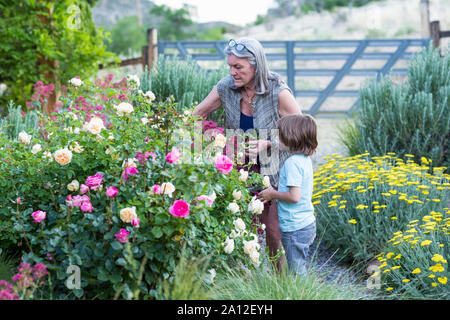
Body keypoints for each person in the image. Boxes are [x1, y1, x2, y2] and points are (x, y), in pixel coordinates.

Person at [193, 37, 302, 272]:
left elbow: (302, 132)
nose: (232, 72)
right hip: (238, 171)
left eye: (238, 67)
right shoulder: (226, 88)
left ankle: (280, 287)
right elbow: (196, 115)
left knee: (273, 231)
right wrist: (210, 138)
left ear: (256, 66)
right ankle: (243, 283)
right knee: (238, 228)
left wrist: (268, 142)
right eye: (230, 66)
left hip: (273, 172)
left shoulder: (278, 93)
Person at [257, 114, 318, 275]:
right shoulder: (303, 160)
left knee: (297, 270)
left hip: (295, 228)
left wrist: (273, 194)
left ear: (293, 138)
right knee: (298, 265)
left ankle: (300, 294)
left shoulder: (292, 163)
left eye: (280, 135)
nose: (276, 139)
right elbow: (298, 188)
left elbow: (294, 196)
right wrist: (280, 187)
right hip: (305, 224)